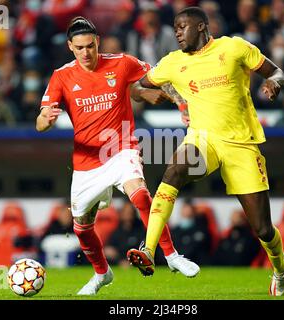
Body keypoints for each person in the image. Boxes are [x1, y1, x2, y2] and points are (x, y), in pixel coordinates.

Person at [127, 6, 284, 296]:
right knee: (174, 171)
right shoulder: (172, 62)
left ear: (201, 27)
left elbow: (276, 72)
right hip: (203, 139)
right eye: (175, 27)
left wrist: (272, 82)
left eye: (182, 26)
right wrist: (166, 97)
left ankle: (280, 267)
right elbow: (137, 88)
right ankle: (149, 250)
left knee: (263, 229)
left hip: (241, 144)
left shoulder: (234, 47)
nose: (177, 32)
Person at [35, 17, 199, 296]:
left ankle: (171, 256)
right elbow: (39, 123)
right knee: (82, 228)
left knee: (140, 194)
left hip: (120, 146)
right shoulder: (61, 76)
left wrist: (180, 102)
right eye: (79, 48)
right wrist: (46, 120)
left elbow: (159, 79)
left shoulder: (122, 62)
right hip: (86, 162)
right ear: (70, 47)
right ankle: (102, 273)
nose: (86, 53)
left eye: (90, 46)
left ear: (97, 41)